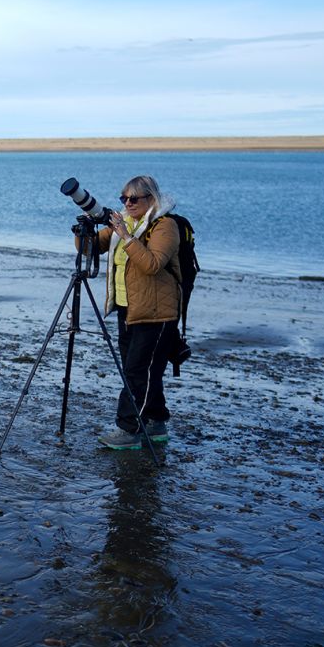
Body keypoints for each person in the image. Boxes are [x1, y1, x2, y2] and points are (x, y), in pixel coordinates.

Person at [85, 174, 182, 450]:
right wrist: (85, 232)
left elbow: (152, 264)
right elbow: (91, 248)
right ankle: (156, 422)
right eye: (123, 198)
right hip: (127, 309)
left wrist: (126, 237)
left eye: (134, 199)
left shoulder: (165, 227)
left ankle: (128, 430)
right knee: (143, 370)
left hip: (156, 312)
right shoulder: (124, 222)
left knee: (136, 372)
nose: (127, 203)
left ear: (152, 199)